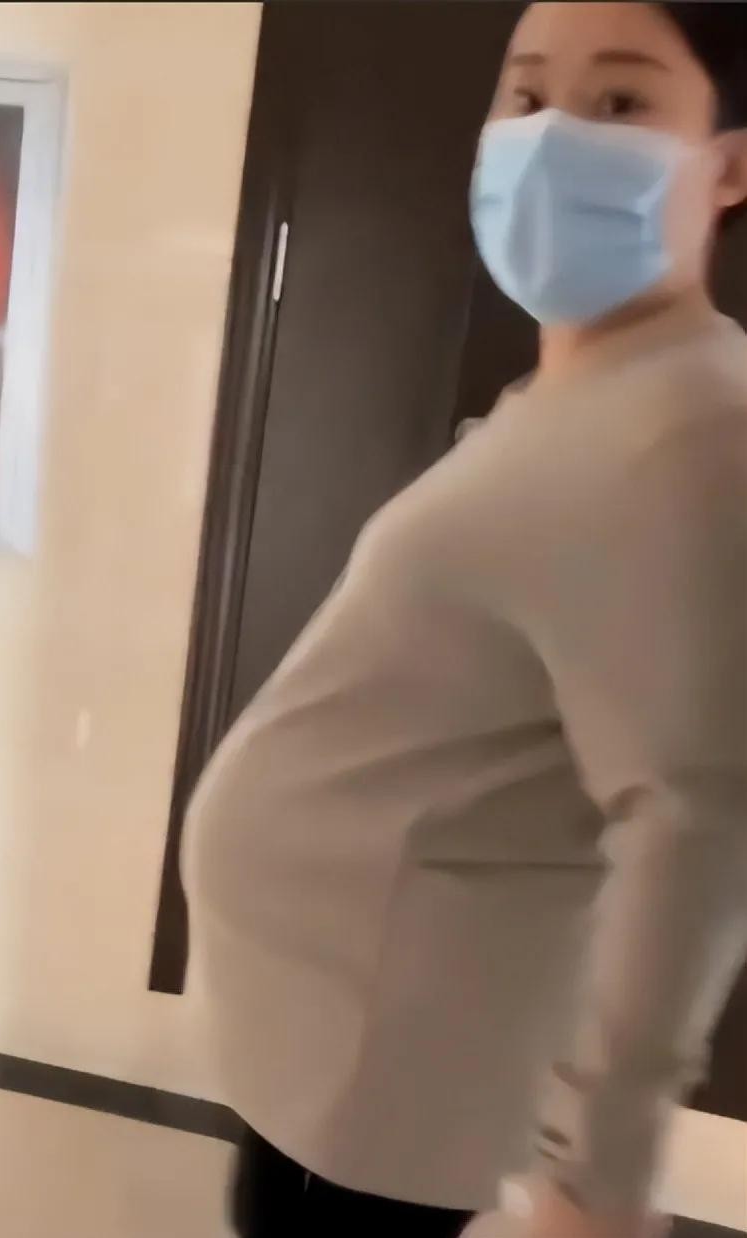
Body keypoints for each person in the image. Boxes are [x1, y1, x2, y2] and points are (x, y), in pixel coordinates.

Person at [181, 4, 747, 1236]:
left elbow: (698, 816)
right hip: (340, 1050)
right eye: (526, 96)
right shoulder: (584, 397)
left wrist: (597, 1169)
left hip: (382, 1075)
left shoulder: (692, 432)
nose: (549, 141)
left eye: (618, 102)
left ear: (726, 166)